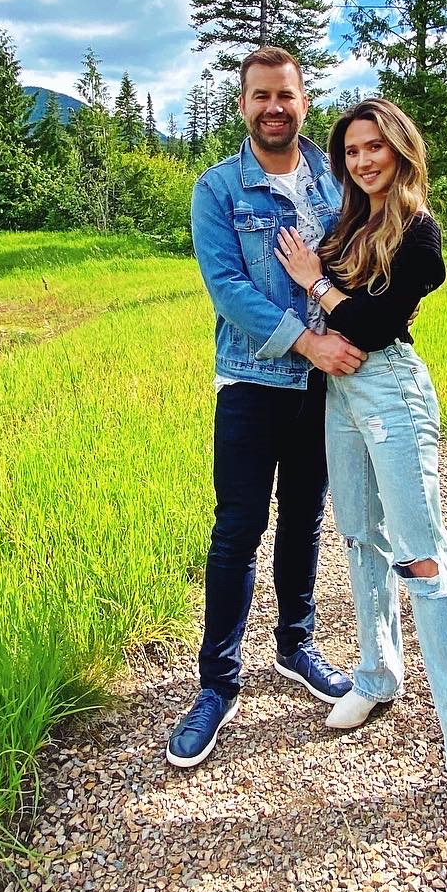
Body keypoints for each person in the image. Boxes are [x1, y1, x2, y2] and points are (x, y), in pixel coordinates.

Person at [274, 98, 447, 831]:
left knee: (425, 563)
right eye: (351, 151)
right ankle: (377, 674)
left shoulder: (421, 234)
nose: (363, 160)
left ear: (402, 150)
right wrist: (323, 290)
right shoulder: (348, 225)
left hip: (391, 392)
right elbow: (339, 321)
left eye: (375, 147)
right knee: (359, 539)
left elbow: (372, 324)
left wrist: (316, 282)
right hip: (339, 393)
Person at [167, 46, 362, 769]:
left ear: (304, 101)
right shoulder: (218, 189)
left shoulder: (337, 186)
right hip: (252, 382)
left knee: (306, 519)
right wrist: (309, 344)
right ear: (242, 104)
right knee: (237, 530)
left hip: (323, 392)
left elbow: (361, 266)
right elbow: (228, 290)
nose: (274, 107)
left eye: (286, 95)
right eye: (260, 96)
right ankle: (217, 685)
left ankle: (295, 646)